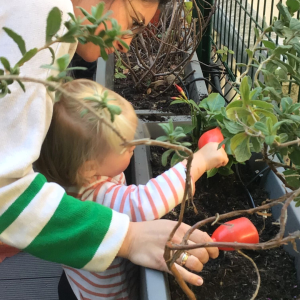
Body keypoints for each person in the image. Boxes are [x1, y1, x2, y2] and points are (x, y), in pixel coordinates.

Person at [0, 0, 224, 291]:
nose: (128, 43)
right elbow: (5, 191)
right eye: (133, 22)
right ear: (90, 165)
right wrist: (129, 238)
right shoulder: (39, 13)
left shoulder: (70, 173)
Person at [35, 79, 229, 300]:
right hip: (106, 293)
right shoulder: (94, 197)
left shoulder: (64, 175)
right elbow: (144, 202)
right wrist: (198, 163)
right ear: (90, 166)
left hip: (78, 280)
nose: (134, 145)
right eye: (126, 146)